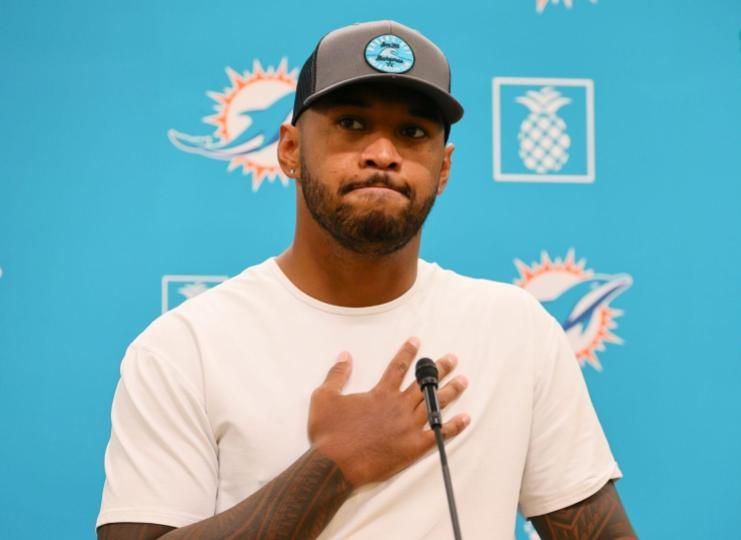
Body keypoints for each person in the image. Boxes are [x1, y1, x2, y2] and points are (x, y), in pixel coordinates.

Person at [95, 20, 636, 540]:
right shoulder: (184, 347)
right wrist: (336, 465)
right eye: (352, 123)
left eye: (412, 132)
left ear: (443, 169)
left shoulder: (516, 330)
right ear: (289, 149)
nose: (383, 154)